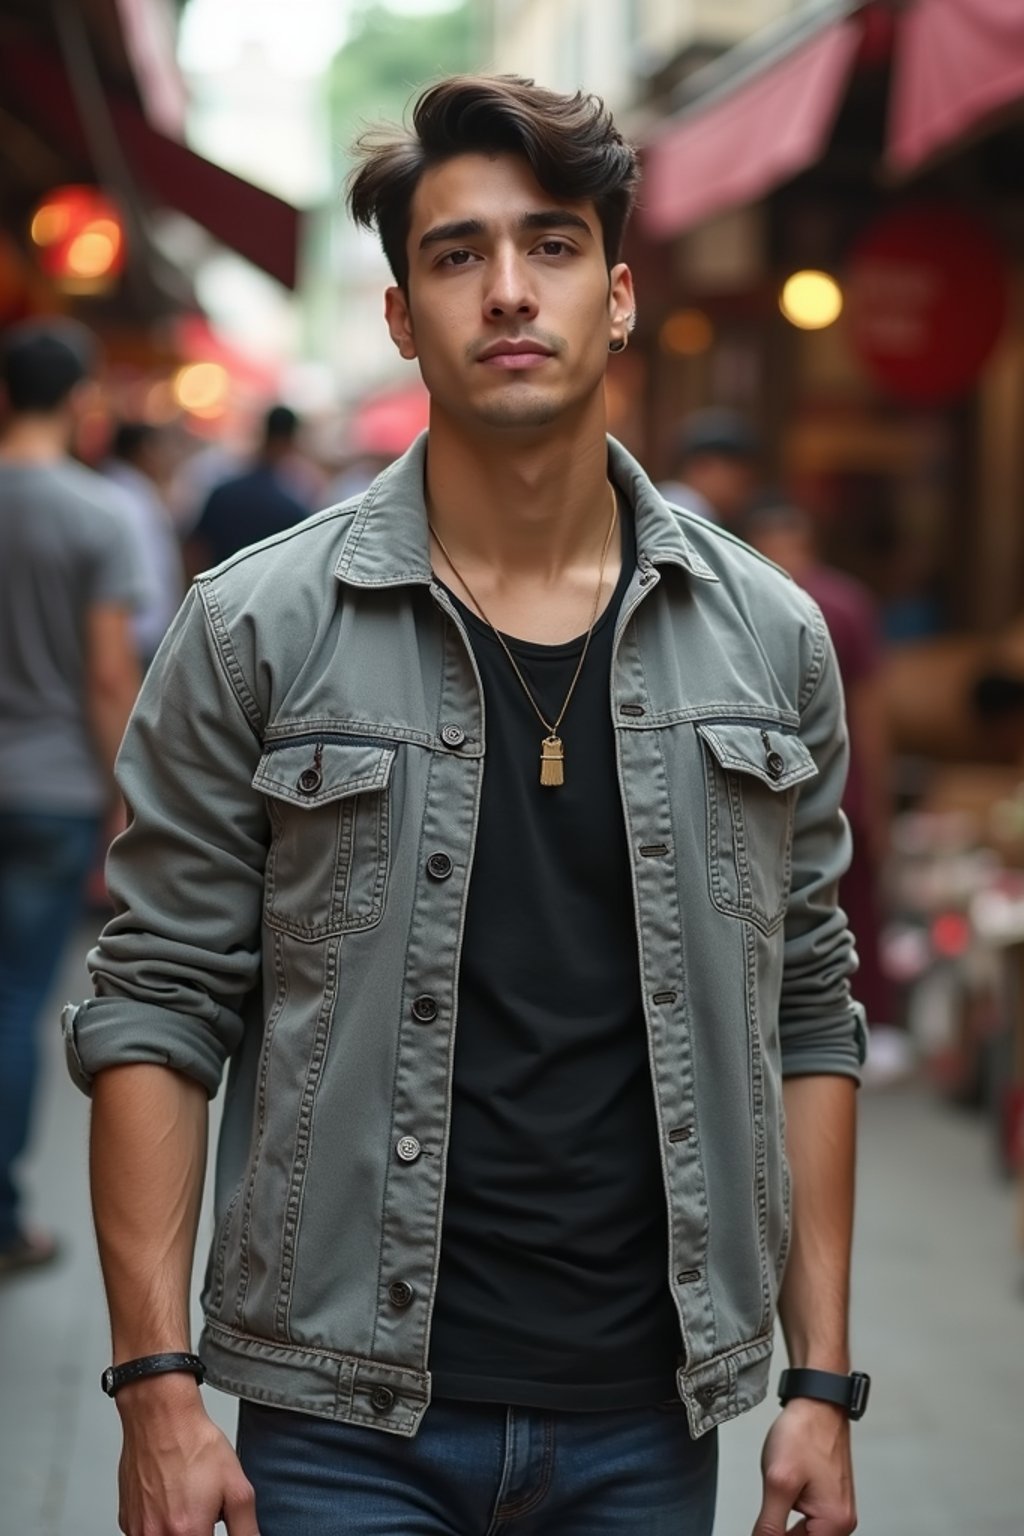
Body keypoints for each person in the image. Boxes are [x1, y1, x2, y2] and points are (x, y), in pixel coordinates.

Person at [70, 76, 867, 1536]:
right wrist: (157, 1389)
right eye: (456, 254)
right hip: (335, 1423)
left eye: (553, 246)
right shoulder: (255, 629)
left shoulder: (770, 638)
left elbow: (807, 1007)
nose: (510, 290)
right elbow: (158, 1000)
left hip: (644, 1414)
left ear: (620, 298)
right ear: (399, 317)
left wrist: (820, 1384)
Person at [0, 319, 141, 1275]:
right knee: (16, 999)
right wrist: (127, 795)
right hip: (49, 790)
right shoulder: (101, 515)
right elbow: (104, 676)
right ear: (81, 397)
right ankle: (5, 1220)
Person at [742, 499, 908, 1085]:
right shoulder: (820, 601)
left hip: (796, 778)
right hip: (796, 778)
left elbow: (869, 705)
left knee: (830, 904)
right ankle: (858, 1026)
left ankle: (836, 1028)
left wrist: (877, 790)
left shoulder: (753, 600)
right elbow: (871, 705)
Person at [185, 404, 309, 573]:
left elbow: (195, 551)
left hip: (219, 591)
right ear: (291, 442)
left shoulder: (223, 494)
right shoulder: (292, 508)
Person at [102, 421, 185, 668]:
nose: (166, 457)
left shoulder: (133, 491)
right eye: (160, 448)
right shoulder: (123, 498)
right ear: (145, 450)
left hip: (139, 631)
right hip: (134, 635)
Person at [659, 407, 760, 527]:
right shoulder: (681, 512)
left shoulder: (692, 510)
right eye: (740, 481)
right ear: (703, 466)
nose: (745, 494)